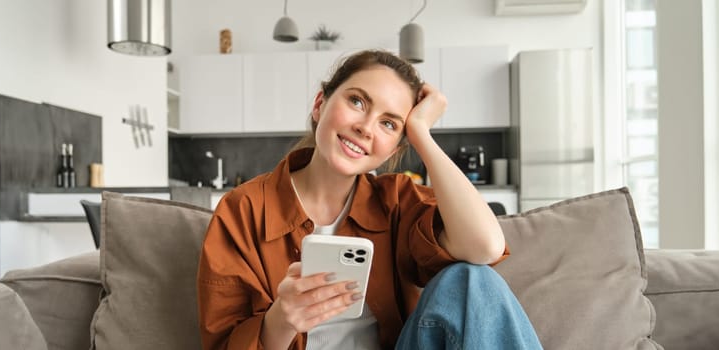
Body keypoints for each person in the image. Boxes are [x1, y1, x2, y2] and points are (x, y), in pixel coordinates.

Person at [197, 50, 542, 350]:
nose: (366, 127)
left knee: (471, 280)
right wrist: (281, 321)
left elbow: (486, 247)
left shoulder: (396, 201)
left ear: (396, 147)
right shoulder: (242, 210)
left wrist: (421, 133)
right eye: (357, 101)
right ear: (320, 104)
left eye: (389, 124)